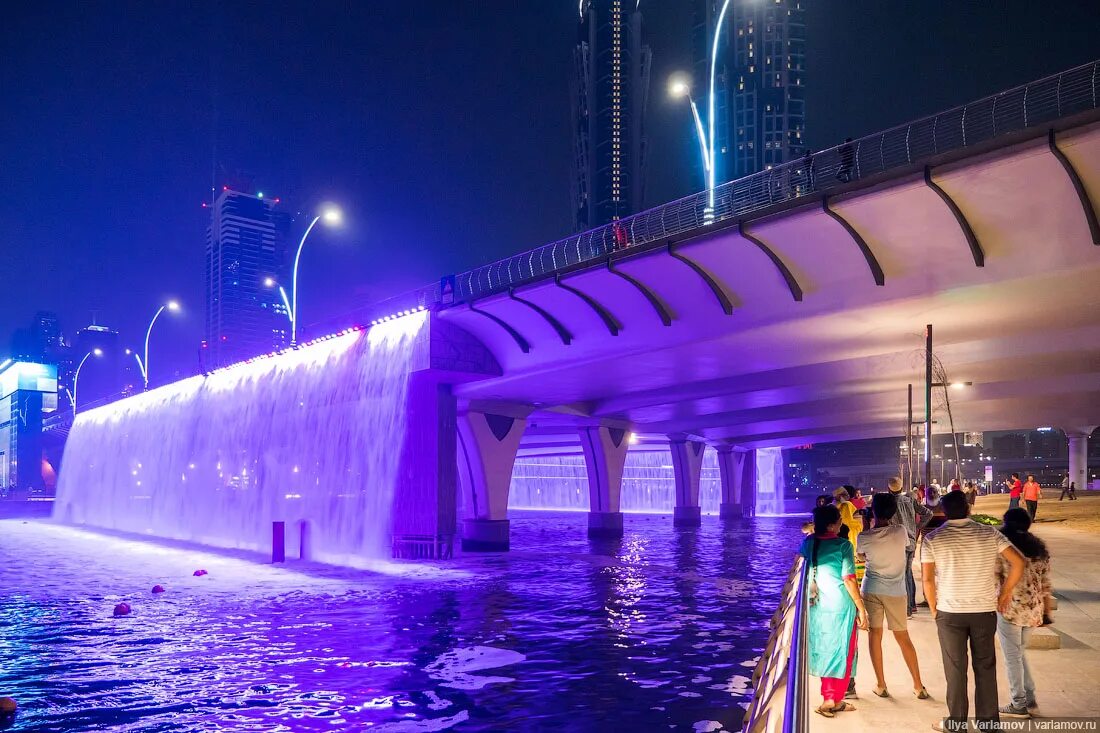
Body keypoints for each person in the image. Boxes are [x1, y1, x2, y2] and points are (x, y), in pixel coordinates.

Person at [921, 490, 1026, 732]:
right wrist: (1005, 593)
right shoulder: (989, 533)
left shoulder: (933, 538)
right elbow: (1019, 562)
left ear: (943, 512)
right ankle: (988, 723)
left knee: (955, 669)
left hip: (949, 611)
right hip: (984, 610)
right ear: (968, 508)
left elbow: (927, 580)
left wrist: (935, 609)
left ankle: (957, 723)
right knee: (985, 666)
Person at [858, 492, 930, 700]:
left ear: (873, 511)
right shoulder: (900, 531)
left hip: (871, 588)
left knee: (875, 635)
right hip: (896, 592)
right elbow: (908, 545)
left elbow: (861, 557)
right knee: (903, 637)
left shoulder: (864, 537)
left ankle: (881, 684)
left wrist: (866, 524)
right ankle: (918, 686)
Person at [801, 505, 869, 718]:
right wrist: (861, 608)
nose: (842, 522)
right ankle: (832, 699)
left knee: (825, 648)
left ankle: (830, 697)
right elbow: (849, 580)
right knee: (843, 651)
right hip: (840, 605)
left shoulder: (808, 543)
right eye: (839, 520)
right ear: (831, 525)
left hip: (817, 605)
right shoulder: (844, 545)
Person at [996, 508, 1053, 719]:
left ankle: (1018, 703)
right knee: (1018, 654)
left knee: (1012, 657)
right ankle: (1029, 697)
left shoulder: (1004, 548)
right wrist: (1046, 612)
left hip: (1009, 609)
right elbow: (1046, 585)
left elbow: (995, 578)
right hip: (1033, 610)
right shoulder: (1039, 549)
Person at [888, 477, 933, 617]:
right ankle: (912, 605)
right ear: (902, 488)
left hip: (898, 542)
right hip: (911, 540)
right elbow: (928, 513)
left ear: (889, 489)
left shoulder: (889, 504)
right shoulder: (910, 500)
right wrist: (916, 527)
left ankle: (907, 608)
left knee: (904, 574)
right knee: (908, 573)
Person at [833, 487, 864, 552]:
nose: (847, 496)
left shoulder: (832, 505)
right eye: (845, 494)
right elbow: (847, 519)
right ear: (840, 496)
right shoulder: (846, 504)